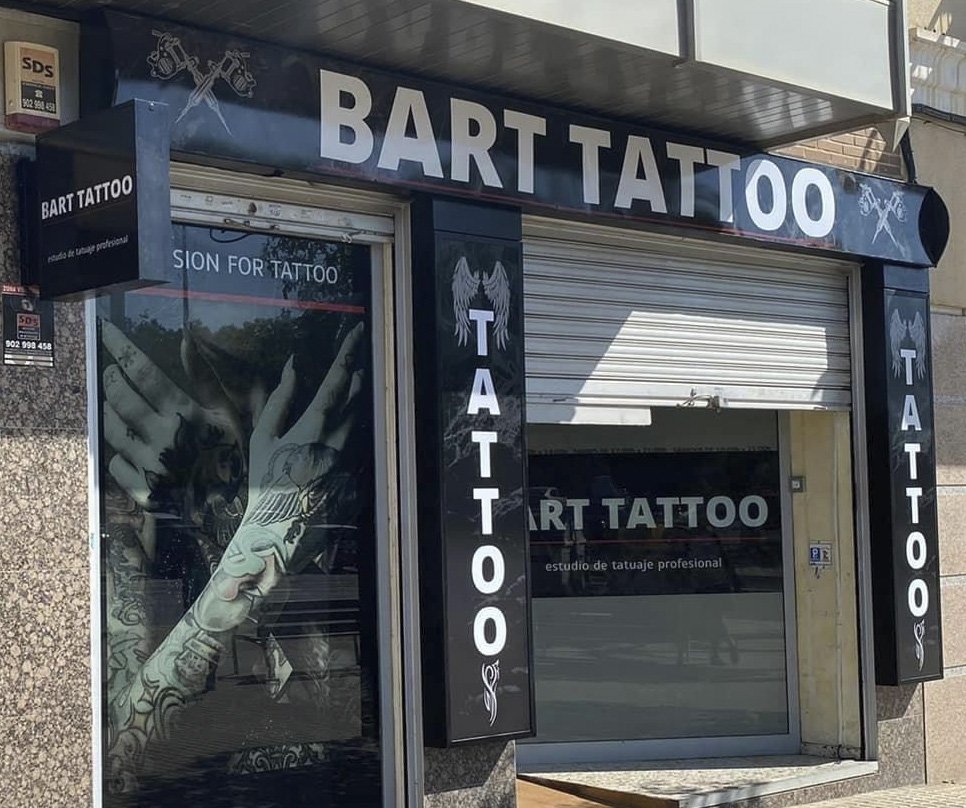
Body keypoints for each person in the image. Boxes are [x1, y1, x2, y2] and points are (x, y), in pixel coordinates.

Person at [99, 316, 367, 798]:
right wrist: (234, 530)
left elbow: (368, 729)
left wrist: (276, 532)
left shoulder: (350, 508)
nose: (245, 446)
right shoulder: (143, 518)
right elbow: (117, 767)